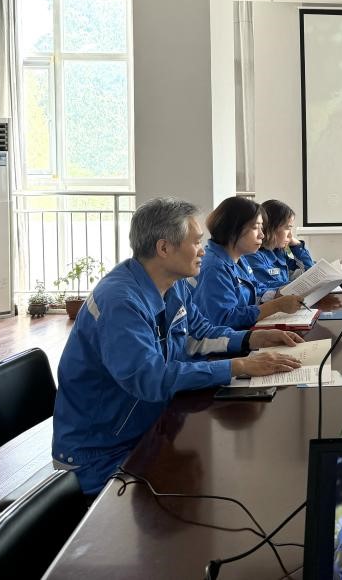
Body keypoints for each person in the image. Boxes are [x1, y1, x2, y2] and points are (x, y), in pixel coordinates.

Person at [52, 197, 304, 496]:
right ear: (164, 248)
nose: (203, 250)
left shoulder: (175, 283)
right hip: (102, 454)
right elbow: (150, 379)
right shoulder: (120, 302)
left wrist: (251, 339)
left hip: (151, 427)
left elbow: (199, 333)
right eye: (196, 242)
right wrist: (238, 365)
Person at [192, 196, 308, 329]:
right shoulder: (214, 268)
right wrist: (276, 305)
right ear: (233, 229)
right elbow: (224, 320)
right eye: (255, 228)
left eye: (261, 228)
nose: (262, 235)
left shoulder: (239, 258)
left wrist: (278, 293)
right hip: (232, 339)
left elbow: (256, 289)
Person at [244, 199, 314, 299]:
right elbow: (267, 290)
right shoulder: (253, 256)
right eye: (288, 228)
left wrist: (297, 245)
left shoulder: (280, 251)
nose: (290, 235)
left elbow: (308, 271)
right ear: (271, 227)